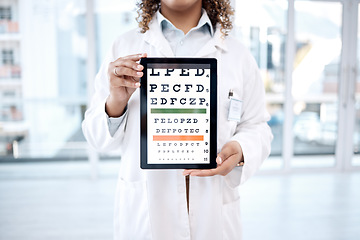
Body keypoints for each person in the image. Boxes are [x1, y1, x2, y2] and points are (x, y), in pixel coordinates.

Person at [82, 0, 273, 239]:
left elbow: (257, 125)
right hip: (146, 219)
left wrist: (241, 149)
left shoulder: (237, 54)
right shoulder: (124, 47)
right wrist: (116, 102)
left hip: (214, 218)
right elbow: (96, 137)